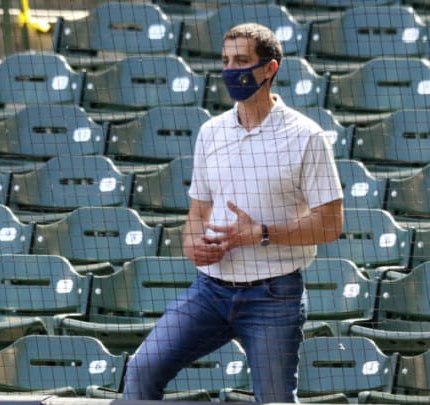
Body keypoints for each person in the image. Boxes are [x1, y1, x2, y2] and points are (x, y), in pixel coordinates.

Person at [122, 23, 344, 403]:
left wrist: (260, 234)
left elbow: (330, 224)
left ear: (270, 69)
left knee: (274, 399)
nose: (231, 70)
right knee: (142, 369)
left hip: (273, 295)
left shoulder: (306, 136)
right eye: (226, 61)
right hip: (210, 290)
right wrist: (192, 241)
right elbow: (198, 208)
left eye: (241, 61)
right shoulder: (211, 132)